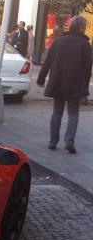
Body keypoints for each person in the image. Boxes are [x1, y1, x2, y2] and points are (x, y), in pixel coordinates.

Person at [37, 16, 91, 153]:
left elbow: (48, 61)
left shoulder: (58, 41)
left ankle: (53, 141)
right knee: (73, 114)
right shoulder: (84, 44)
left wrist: (41, 78)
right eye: (84, 26)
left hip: (58, 82)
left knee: (57, 112)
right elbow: (87, 68)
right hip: (75, 83)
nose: (85, 28)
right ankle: (69, 141)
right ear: (79, 27)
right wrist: (85, 85)